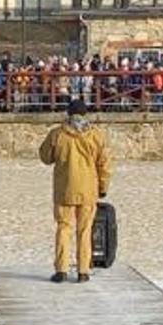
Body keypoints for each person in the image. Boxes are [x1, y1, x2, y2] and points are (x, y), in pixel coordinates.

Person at [39, 100, 112, 283]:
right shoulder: (96, 135)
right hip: (88, 188)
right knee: (85, 229)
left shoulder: (58, 134)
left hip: (65, 188)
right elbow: (104, 164)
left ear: (68, 114)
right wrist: (103, 187)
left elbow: (45, 157)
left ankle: (62, 269)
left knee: (64, 228)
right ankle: (83, 270)